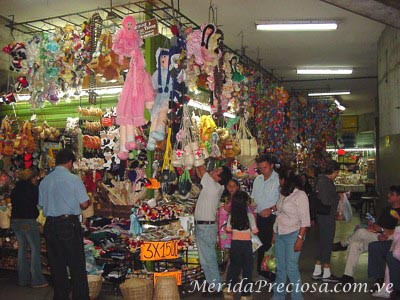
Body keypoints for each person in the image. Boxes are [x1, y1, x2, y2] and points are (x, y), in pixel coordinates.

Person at [39, 149, 91, 300]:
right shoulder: (73, 179)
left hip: (50, 226)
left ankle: (60, 296)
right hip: (68, 224)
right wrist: (89, 202)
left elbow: (42, 204)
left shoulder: (45, 181)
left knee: (57, 266)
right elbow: (83, 204)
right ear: (70, 162)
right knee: (76, 266)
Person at [335, 185, 400, 284]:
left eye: (392, 194)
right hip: (377, 235)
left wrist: (382, 230)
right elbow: (379, 225)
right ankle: (348, 276)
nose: (388, 196)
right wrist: (372, 225)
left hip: (389, 239)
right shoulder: (387, 209)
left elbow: (396, 231)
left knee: (360, 233)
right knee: (355, 244)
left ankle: (343, 244)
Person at [194, 164, 232, 297]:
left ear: (219, 178)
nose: (213, 171)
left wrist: (196, 151)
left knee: (208, 258)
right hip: (204, 226)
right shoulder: (214, 185)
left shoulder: (213, 186)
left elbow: (201, 169)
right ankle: (212, 285)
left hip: (205, 227)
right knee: (205, 259)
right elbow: (200, 174)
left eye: (217, 171)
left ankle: (216, 286)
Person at [273, 168, 310, 300]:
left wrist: (299, 239)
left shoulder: (300, 196)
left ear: (284, 180)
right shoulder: (283, 194)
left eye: (280, 180)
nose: (279, 182)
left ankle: (297, 296)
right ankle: (278, 296)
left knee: (291, 268)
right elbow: (278, 211)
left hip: (294, 234)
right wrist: (274, 232)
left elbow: (305, 221)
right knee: (280, 268)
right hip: (280, 234)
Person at [10, 168, 48, 288]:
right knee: (35, 249)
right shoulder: (32, 189)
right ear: (32, 178)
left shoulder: (15, 189)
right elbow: (39, 203)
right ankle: (37, 280)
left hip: (15, 221)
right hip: (28, 220)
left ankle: (23, 279)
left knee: (22, 249)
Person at [224, 190, 258, 300]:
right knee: (247, 269)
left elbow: (228, 229)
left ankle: (229, 289)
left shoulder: (231, 216)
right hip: (246, 245)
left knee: (234, 267)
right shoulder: (249, 216)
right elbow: (255, 231)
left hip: (235, 244)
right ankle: (245, 294)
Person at [312, 160, 341, 283]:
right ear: (334, 171)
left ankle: (317, 271)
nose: (337, 175)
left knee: (321, 242)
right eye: (337, 172)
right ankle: (326, 272)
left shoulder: (320, 180)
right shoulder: (326, 182)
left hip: (321, 216)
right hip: (327, 217)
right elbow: (326, 200)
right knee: (327, 243)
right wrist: (338, 198)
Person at [251, 154, 280, 276]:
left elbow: (283, 201)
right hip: (259, 218)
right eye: (260, 168)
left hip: (273, 218)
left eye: (265, 168)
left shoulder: (278, 180)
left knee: (271, 246)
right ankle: (261, 272)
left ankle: (272, 274)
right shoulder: (258, 180)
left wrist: (271, 210)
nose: (263, 171)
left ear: (271, 166)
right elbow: (253, 198)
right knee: (260, 246)